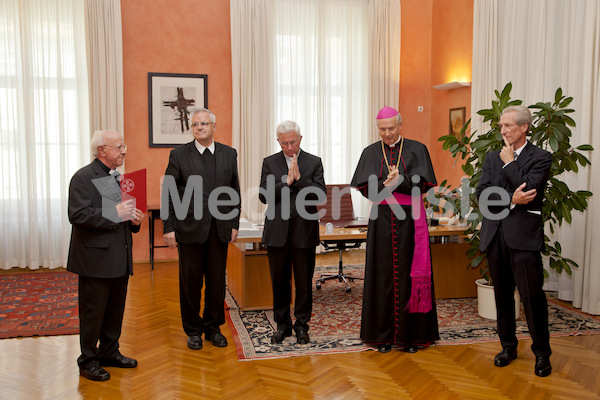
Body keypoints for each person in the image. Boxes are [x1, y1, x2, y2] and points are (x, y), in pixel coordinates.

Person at [350, 107, 439, 353]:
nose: (387, 133)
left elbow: (424, 185)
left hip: (411, 220)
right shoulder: (370, 152)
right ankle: (382, 337)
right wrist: (384, 183)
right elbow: (366, 188)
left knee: (410, 275)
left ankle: (412, 337)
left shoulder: (417, 148)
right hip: (381, 220)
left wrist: (403, 180)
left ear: (400, 125)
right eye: (382, 129)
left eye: (391, 128)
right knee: (382, 275)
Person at [476, 105, 553, 377]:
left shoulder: (541, 157)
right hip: (495, 234)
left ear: (524, 127)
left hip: (523, 237)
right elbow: (483, 194)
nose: (503, 130)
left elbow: (529, 191)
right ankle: (508, 347)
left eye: (508, 125)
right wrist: (510, 199)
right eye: (500, 126)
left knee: (532, 297)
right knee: (502, 296)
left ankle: (542, 354)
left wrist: (510, 164)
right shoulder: (491, 157)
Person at [67, 130, 144, 381]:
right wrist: (116, 211)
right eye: (119, 146)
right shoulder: (82, 177)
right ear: (102, 150)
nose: (123, 150)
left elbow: (124, 216)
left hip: (119, 258)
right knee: (93, 313)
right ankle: (88, 360)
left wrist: (135, 220)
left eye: (124, 146)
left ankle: (110, 352)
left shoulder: (120, 178)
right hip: (95, 261)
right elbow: (78, 216)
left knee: (114, 310)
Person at [162, 107, 241, 351]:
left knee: (217, 283)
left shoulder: (229, 154)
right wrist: (169, 227)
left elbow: (234, 190)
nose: (199, 128)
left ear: (213, 126)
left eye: (204, 124)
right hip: (189, 230)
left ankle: (213, 328)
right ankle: (193, 330)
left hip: (219, 229)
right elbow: (169, 191)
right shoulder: (179, 155)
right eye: (195, 124)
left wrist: (234, 223)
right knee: (191, 284)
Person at [259, 120, 326, 344]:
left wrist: (299, 180)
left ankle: (301, 325)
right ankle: (283, 325)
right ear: (278, 141)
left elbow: (320, 195)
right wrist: (285, 183)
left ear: (300, 139)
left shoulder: (313, 162)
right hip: (277, 232)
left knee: (304, 282)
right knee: (279, 281)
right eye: (284, 143)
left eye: (293, 142)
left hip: (303, 232)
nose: (289, 147)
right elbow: (263, 195)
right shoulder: (269, 163)